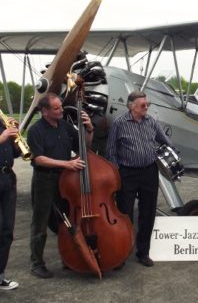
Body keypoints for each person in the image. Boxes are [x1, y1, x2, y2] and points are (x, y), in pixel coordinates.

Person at [27, 93, 94, 279]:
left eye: (61, 107)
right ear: (45, 111)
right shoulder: (35, 131)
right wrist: (67, 164)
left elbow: (84, 146)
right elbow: (39, 159)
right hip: (44, 180)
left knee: (65, 223)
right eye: (57, 109)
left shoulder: (65, 125)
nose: (62, 110)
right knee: (40, 223)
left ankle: (68, 258)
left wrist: (89, 129)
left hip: (65, 180)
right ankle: (37, 263)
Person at [105, 90, 171, 268]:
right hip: (127, 174)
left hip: (149, 172)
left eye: (147, 104)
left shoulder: (151, 122)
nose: (146, 107)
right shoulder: (119, 123)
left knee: (148, 213)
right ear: (131, 106)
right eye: (143, 105)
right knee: (125, 213)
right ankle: (123, 252)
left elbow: (165, 141)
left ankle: (143, 252)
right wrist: (117, 172)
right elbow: (111, 150)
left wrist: (164, 155)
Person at [0, 114, 22, 290]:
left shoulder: (3, 123)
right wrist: (2, 138)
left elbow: (15, 154)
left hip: (7, 178)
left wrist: (16, 137)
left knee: (7, 230)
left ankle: (0, 276)